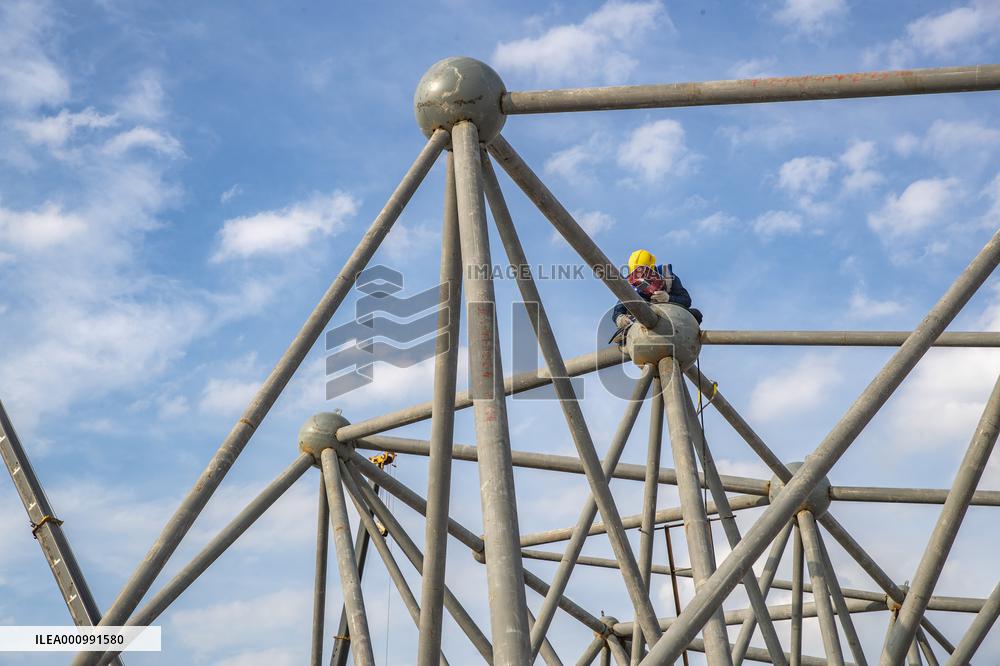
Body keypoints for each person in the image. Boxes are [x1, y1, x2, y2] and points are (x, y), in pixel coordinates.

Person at [611, 249, 703, 333]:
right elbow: (618, 310)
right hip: (642, 325)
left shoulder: (668, 277)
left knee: (696, 314)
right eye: (637, 275)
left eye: (644, 274)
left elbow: (686, 301)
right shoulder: (632, 286)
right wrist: (620, 319)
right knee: (625, 327)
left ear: (652, 269)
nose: (641, 279)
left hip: (670, 317)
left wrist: (668, 298)